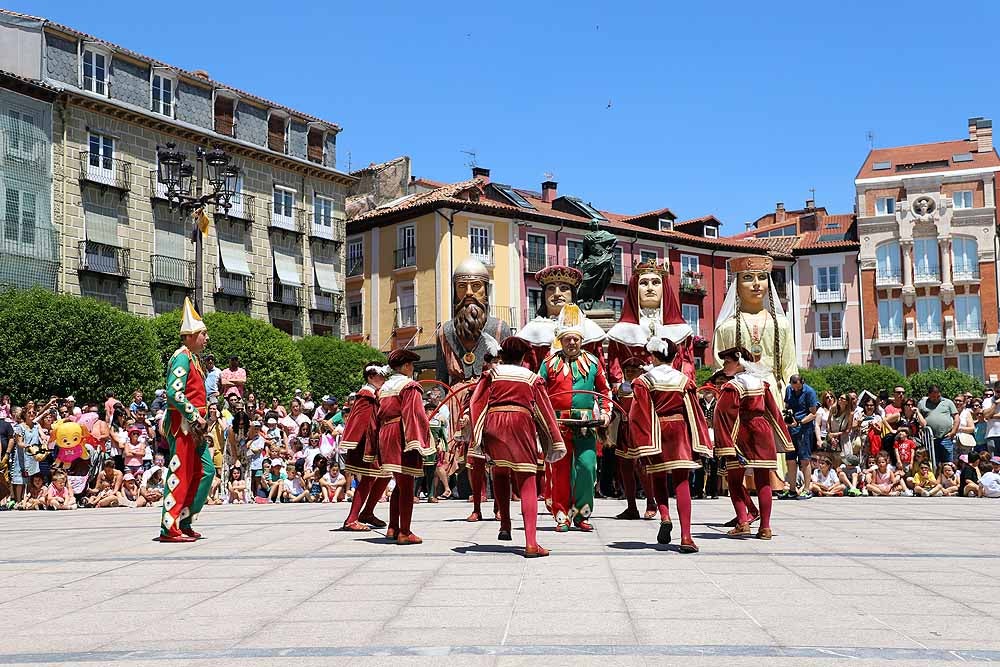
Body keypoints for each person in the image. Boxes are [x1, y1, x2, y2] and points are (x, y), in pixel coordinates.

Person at [468, 336, 565, 557]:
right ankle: (531, 543)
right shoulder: (532, 378)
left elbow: (476, 403)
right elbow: (544, 410)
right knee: (527, 482)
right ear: (523, 357)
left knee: (500, 472)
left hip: (494, 424)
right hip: (520, 425)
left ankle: (505, 525)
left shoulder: (490, 375)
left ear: (501, 355)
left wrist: (478, 433)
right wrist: (553, 438)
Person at [627, 332, 712, 552]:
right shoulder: (684, 380)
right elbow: (694, 411)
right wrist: (700, 440)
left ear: (654, 356)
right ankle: (686, 536)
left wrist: (639, 441)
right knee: (682, 482)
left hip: (657, 431)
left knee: (658, 477)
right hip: (680, 430)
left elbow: (638, 413)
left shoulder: (644, 380)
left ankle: (665, 516)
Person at [539, 306, 612, 532]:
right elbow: (538, 391)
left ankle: (581, 514)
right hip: (558, 426)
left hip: (586, 426)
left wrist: (606, 413)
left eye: (576, 339)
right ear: (560, 340)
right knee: (560, 471)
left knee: (587, 467)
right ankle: (562, 514)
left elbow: (605, 391)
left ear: (582, 340)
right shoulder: (549, 363)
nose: (572, 343)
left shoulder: (592, 362)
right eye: (568, 339)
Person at [713, 346, 792, 540]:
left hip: (742, 432)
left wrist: (724, 443)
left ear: (739, 363)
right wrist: (782, 438)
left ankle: (743, 522)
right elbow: (773, 412)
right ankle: (765, 527)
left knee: (733, 480)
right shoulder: (762, 384)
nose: (724, 365)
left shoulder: (732, 387)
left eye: (728, 362)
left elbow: (723, 415)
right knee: (763, 480)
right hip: (762, 432)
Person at [158, 297, 211, 543]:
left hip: (195, 427)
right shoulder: (181, 356)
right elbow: (174, 392)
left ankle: (185, 519)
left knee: (205, 471)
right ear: (190, 335)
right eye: (203, 333)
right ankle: (170, 527)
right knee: (180, 472)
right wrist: (195, 416)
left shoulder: (193, 359)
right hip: (183, 426)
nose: (206, 338)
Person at [377, 348, 433, 544]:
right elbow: (414, 414)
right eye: (412, 365)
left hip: (386, 435)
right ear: (407, 366)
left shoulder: (383, 388)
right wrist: (418, 440)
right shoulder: (410, 386)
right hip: (402, 435)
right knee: (407, 486)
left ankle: (392, 527)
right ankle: (404, 532)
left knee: (399, 486)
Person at [515, 265, 606, 372]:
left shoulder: (589, 329)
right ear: (544, 295)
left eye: (564, 288)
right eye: (551, 288)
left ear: (572, 294)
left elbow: (600, 369)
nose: (557, 294)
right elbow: (525, 371)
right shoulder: (532, 331)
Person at [341, 362, 393, 531]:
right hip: (367, 445)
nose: (383, 378)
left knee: (385, 475)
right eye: (380, 375)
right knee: (368, 479)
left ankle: (367, 512)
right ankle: (352, 519)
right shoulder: (366, 395)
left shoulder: (375, 393)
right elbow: (361, 422)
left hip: (377, 443)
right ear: (371, 377)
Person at [608, 358, 658, 519]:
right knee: (625, 469)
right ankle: (631, 507)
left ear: (641, 371)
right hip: (624, 431)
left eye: (634, 369)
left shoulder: (646, 387)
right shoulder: (620, 389)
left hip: (641, 430)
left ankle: (651, 503)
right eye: (627, 369)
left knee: (643, 468)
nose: (630, 372)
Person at [783, 374, 819, 500]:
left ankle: (807, 489)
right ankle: (792, 490)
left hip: (804, 428)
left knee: (805, 459)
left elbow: (813, 413)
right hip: (791, 429)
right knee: (790, 460)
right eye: (794, 387)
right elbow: (787, 407)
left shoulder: (809, 392)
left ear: (802, 383)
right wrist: (787, 417)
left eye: (798, 387)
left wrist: (799, 422)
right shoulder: (788, 390)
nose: (796, 390)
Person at [917, 385, 958, 465]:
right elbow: (919, 419)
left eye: (938, 396)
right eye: (933, 397)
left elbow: (956, 417)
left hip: (946, 437)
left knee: (948, 463)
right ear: (928, 395)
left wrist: (953, 431)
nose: (936, 398)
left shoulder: (948, 402)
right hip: (930, 439)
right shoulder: (922, 404)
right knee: (934, 463)